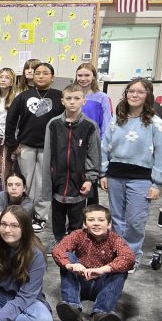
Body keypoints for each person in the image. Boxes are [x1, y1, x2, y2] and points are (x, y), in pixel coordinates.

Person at [99, 78, 162, 271]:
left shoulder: (155, 123)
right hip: (115, 176)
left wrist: (157, 183)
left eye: (140, 92)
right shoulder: (117, 120)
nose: (134, 95)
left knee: (135, 221)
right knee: (117, 219)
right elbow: (104, 147)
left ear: (148, 96)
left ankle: (130, 258)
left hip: (141, 179)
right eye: (131, 91)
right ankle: (117, 254)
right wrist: (103, 173)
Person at [52, 204, 135, 321]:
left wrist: (103, 270)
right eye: (91, 220)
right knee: (67, 258)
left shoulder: (115, 239)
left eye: (101, 220)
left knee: (121, 268)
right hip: (81, 281)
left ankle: (99, 315)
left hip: (102, 286)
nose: (96, 223)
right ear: (85, 224)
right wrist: (71, 266)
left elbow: (129, 258)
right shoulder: (78, 235)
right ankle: (73, 308)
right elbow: (58, 250)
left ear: (109, 224)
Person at [4, 62, 64, 232]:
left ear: (52, 77)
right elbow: (11, 120)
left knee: (44, 183)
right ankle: (25, 213)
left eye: (45, 73)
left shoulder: (59, 96)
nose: (41, 76)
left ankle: (40, 216)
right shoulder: (23, 96)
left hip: (49, 148)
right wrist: (12, 143)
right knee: (26, 182)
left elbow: (64, 123)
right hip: (26, 147)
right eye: (37, 73)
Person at [41, 84, 100, 246]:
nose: (72, 102)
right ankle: (59, 242)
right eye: (68, 98)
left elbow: (94, 155)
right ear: (62, 101)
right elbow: (48, 155)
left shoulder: (90, 126)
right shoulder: (53, 124)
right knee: (57, 217)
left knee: (77, 218)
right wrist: (48, 182)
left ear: (84, 101)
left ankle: (74, 244)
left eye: (76, 98)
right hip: (58, 182)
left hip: (79, 183)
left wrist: (90, 179)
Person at [75, 63, 112, 206]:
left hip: (94, 143)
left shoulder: (102, 97)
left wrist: (103, 144)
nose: (83, 78)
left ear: (94, 77)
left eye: (87, 75)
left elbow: (106, 122)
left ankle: (91, 212)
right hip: (75, 143)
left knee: (91, 180)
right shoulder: (72, 95)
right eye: (80, 75)